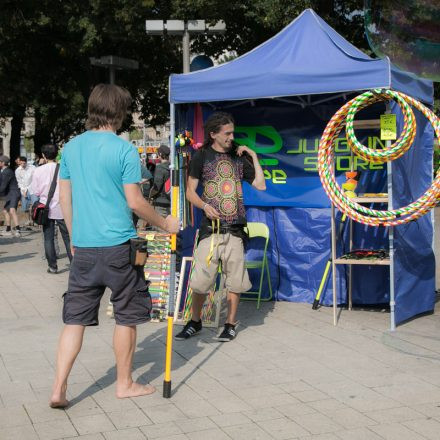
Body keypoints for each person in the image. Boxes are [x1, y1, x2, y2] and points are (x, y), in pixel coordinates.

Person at [49, 84, 179, 408]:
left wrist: (74, 237)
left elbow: (64, 198)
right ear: (119, 112)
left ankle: (59, 388)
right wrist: (165, 224)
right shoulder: (124, 150)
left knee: (74, 319)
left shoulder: (71, 147)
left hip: (83, 247)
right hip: (119, 246)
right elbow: (135, 201)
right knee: (126, 315)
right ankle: (125, 383)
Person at [175, 112, 266, 342]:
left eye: (233, 132)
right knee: (200, 281)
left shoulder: (238, 157)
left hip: (235, 230)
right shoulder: (201, 156)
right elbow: (189, 192)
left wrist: (253, 156)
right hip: (210, 230)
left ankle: (230, 324)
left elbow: (260, 185)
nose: (231, 137)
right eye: (227, 133)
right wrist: (205, 206)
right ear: (213, 134)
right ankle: (195, 322)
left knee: (234, 282)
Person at [31, 144, 72, 273]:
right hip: (63, 208)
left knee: (48, 238)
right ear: (56, 154)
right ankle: (74, 264)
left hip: (45, 208)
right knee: (68, 237)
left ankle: (52, 266)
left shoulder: (38, 170)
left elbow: (35, 191)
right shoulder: (63, 169)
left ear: (43, 155)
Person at [0, 155, 22, 237]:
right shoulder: (3, 171)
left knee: (12, 211)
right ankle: (8, 229)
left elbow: (3, 186)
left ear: (2, 163)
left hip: (14, 193)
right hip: (10, 194)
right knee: (5, 211)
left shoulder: (7, 172)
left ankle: (18, 229)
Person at [149, 144, 171, 217]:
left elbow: (157, 187)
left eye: (158, 153)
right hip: (170, 201)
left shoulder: (160, 168)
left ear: (160, 154)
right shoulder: (171, 167)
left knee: (160, 227)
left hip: (160, 202)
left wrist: (150, 196)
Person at [15, 156, 36, 225]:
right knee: (25, 207)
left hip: (33, 188)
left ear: (26, 162)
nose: (23, 165)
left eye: (24, 163)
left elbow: (36, 178)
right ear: (19, 162)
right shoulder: (17, 171)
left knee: (35, 204)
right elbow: (19, 182)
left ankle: (34, 220)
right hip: (24, 189)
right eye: (21, 163)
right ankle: (28, 220)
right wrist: (23, 191)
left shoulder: (32, 167)